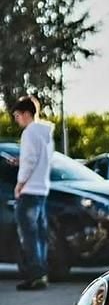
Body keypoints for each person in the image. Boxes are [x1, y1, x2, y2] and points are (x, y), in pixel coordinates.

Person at [12, 96, 54, 290]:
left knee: (28, 236)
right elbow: (41, 160)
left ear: (27, 114)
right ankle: (42, 274)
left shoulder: (29, 133)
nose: (17, 119)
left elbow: (29, 161)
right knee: (39, 235)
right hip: (42, 189)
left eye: (18, 115)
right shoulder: (45, 133)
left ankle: (35, 277)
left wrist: (20, 185)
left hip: (29, 191)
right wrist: (20, 161)